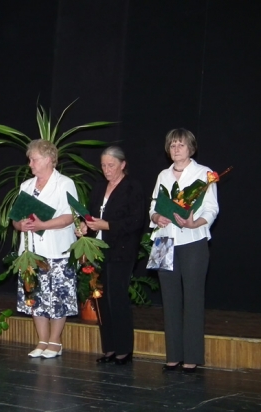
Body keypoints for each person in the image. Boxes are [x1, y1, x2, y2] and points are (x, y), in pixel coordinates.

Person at [149, 128, 218, 373]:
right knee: (169, 299)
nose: (176, 149)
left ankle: (192, 356)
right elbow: (153, 206)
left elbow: (211, 209)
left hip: (192, 240)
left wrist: (193, 223)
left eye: (181, 145)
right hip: (163, 242)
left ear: (191, 148)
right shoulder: (163, 174)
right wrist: (156, 217)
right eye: (172, 145)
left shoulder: (204, 173)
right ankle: (173, 355)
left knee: (193, 298)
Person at [76, 146, 145, 365]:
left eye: (111, 165)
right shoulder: (99, 187)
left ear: (123, 165)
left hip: (121, 250)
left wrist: (107, 225)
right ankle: (110, 348)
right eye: (103, 165)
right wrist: (85, 227)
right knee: (102, 299)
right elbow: (91, 216)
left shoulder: (132, 187)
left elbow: (136, 221)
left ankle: (124, 349)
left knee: (117, 297)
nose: (106, 170)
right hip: (99, 250)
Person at [13, 140, 78, 359]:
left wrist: (43, 225)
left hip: (57, 249)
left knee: (58, 297)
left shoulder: (65, 183)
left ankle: (55, 341)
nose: (30, 164)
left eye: (34, 159)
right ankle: (42, 340)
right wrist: (20, 225)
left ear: (49, 159)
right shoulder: (26, 186)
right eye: (29, 160)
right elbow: (15, 219)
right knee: (35, 297)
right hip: (31, 251)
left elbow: (69, 216)